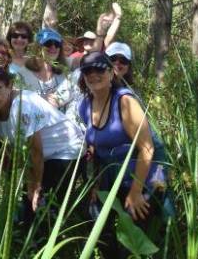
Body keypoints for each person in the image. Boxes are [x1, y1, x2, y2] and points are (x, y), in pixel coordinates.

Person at [78, 51, 168, 257]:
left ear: (111, 73)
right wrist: (95, 185)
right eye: (87, 70)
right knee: (96, 219)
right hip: (110, 174)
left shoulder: (125, 102)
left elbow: (147, 148)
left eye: (99, 68)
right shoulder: (85, 105)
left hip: (142, 173)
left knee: (135, 231)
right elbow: (94, 148)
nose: (93, 74)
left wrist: (136, 192)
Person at [0, 67, 84, 218]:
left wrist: (36, 186)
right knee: (28, 206)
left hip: (66, 150)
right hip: (43, 156)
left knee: (42, 207)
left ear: (9, 86)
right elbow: (13, 154)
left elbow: (35, 152)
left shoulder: (22, 106)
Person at [24, 28, 68, 98]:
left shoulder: (65, 75)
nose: (53, 47)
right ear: (38, 47)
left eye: (57, 44)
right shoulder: (23, 74)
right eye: (48, 43)